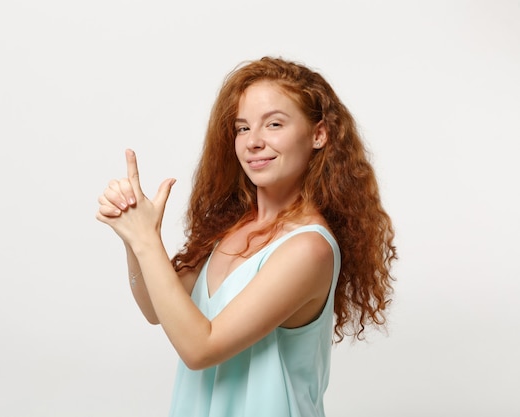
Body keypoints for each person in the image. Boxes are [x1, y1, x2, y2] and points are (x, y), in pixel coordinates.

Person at [96, 56, 397, 417]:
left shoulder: (309, 248)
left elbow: (199, 349)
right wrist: (135, 234)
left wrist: (146, 241)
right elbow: (154, 308)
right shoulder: (232, 227)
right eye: (242, 128)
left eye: (274, 124)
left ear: (319, 134)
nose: (253, 141)